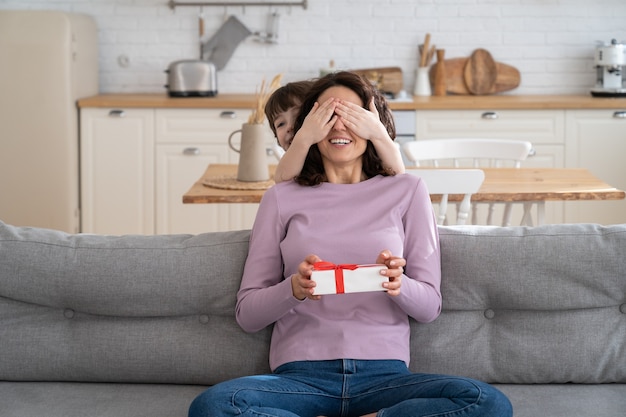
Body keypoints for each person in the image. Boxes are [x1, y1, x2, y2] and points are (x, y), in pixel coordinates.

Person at [188, 71, 512, 417]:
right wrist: (294, 289)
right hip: (301, 376)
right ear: (309, 126)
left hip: (384, 376)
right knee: (214, 406)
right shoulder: (281, 198)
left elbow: (429, 306)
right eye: (328, 115)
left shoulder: (408, 190)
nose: (340, 127)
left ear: (372, 124)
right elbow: (248, 315)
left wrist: (399, 285)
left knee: (487, 403)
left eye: (352, 115)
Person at [264, 78, 405, 183]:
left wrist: (378, 132)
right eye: (280, 123)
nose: (290, 128)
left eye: (297, 118)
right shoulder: (296, 165)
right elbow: (282, 181)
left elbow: (398, 174)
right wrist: (304, 138)